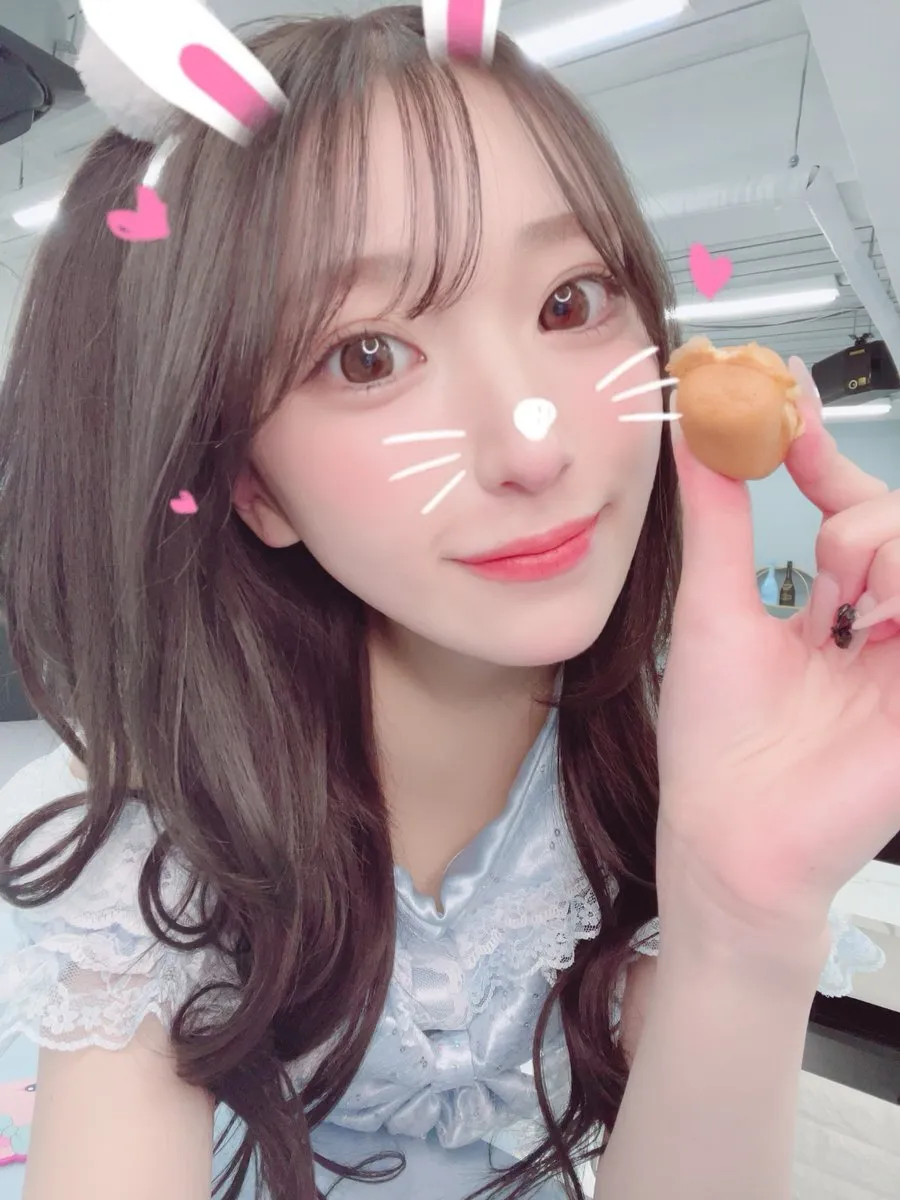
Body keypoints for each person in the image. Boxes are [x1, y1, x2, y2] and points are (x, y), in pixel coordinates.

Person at [0, 7, 897, 1200]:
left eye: (570, 301)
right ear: (250, 482)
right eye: (366, 356)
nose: (534, 447)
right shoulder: (155, 838)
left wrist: (748, 918)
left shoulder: (664, 762)